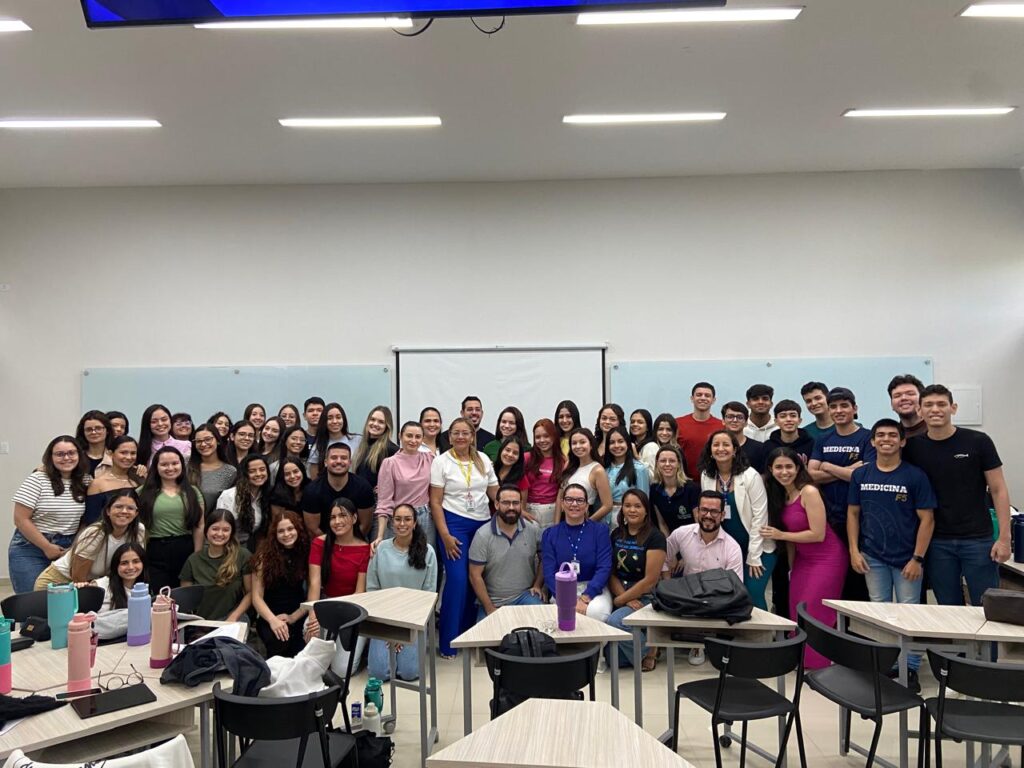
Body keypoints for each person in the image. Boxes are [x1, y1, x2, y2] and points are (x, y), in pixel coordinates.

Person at [847, 420, 936, 690]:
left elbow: (927, 519)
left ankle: (910, 668)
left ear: (902, 441)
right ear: (872, 442)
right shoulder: (861, 475)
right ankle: (887, 664)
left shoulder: (915, 476)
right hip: (872, 556)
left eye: (892, 435)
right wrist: (854, 550)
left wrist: (917, 558)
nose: (886, 439)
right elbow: (853, 514)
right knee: (880, 611)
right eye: (881, 435)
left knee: (909, 612)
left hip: (907, 558)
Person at [903, 384, 1010, 606]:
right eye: (928, 405)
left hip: (978, 540)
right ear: (919, 411)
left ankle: (986, 633)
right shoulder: (912, 448)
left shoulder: (978, 441)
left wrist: (1004, 538)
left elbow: (998, 489)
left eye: (941, 404)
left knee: (987, 606)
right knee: (948, 607)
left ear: (953, 408)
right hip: (937, 542)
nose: (935, 409)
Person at [760, 448, 847, 669]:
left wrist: (780, 535)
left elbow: (818, 534)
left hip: (827, 559)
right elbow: (792, 541)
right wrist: (792, 568)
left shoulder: (809, 491)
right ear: (771, 470)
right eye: (779, 467)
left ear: (798, 468)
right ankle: (800, 658)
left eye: (789, 466)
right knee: (797, 606)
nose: (784, 472)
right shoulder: (781, 495)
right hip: (803, 561)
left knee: (815, 611)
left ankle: (819, 663)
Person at [430, 418, 499, 657]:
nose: (460, 437)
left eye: (465, 433)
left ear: (472, 436)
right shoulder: (441, 462)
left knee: (475, 580)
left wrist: (515, 508)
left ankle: (467, 635)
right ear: (449, 437)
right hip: (454, 524)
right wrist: (445, 535)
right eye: (456, 433)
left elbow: (494, 493)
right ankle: (448, 642)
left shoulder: (483, 459)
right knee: (458, 579)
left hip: (481, 524)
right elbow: (435, 502)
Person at [808, 387, 875, 600]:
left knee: (860, 577)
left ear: (854, 408)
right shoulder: (823, 439)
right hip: (830, 517)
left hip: (861, 518)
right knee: (837, 576)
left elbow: (865, 476)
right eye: (834, 406)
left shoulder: (868, 437)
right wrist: (849, 471)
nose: (838, 410)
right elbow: (811, 474)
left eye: (844, 406)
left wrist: (828, 466)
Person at [697, 430, 775, 610]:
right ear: (710, 451)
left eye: (726, 445)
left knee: (752, 594)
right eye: (716, 445)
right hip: (728, 548)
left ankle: (762, 628)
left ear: (735, 450)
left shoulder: (750, 476)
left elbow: (760, 517)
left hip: (758, 547)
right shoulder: (706, 475)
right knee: (728, 594)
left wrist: (753, 556)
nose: (721, 449)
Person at [663, 490, 743, 665]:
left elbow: (736, 587)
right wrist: (668, 585)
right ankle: (695, 640)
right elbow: (664, 558)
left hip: (715, 600)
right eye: (704, 510)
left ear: (722, 515)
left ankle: (705, 640)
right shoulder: (681, 534)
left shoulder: (732, 547)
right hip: (685, 596)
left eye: (714, 512)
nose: (708, 515)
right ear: (697, 512)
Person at [367, 504, 438, 681]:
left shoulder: (428, 552)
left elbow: (428, 595)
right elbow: (372, 590)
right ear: (392, 523)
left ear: (415, 523)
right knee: (378, 673)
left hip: (413, 620)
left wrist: (404, 631)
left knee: (409, 673)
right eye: (398, 519)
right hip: (383, 619)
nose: (402, 524)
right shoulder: (381, 549)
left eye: (407, 519)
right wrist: (390, 631)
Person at [9, 436, 88, 593]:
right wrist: (47, 547)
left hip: (68, 547)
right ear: (50, 457)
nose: (66, 458)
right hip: (31, 547)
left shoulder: (86, 481)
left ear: (79, 455)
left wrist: (74, 546)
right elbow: (20, 519)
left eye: (71, 453)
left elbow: (85, 519)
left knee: (61, 600)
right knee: (32, 600)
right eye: (60, 454)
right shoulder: (37, 479)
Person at [304, 499, 370, 672]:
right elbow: (314, 583)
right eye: (333, 517)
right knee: (309, 632)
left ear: (354, 518)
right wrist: (313, 616)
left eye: (342, 516)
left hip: (353, 610)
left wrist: (340, 619)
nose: (337, 521)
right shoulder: (319, 543)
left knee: (341, 671)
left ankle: (360, 646)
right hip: (326, 605)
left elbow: (360, 592)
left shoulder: (364, 548)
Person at [35, 488, 146, 589]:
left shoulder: (139, 531)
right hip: (59, 582)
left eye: (130, 508)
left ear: (136, 513)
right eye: (119, 507)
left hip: (92, 583)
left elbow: (134, 567)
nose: (124, 511)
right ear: (108, 511)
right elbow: (78, 577)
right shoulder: (95, 533)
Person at [606, 489, 666, 671]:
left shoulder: (655, 537)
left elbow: (650, 580)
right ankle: (645, 643)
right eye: (627, 506)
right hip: (621, 591)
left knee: (616, 622)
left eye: (637, 506)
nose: (632, 510)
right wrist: (624, 598)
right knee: (612, 658)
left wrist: (622, 600)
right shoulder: (616, 534)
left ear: (646, 510)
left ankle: (650, 650)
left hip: (645, 596)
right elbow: (611, 573)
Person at [469, 485, 544, 621]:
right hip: (493, 601)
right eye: (506, 503)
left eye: (515, 503)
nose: (511, 507)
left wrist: (537, 585)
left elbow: (545, 558)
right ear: (496, 504)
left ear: (521, 504)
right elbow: (474, 575)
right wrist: (489, 608)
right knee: (486, 634)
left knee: (542, 626)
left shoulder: (533, 530)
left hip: (525, 596)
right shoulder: (482, 535)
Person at [541, 484, 613, 622]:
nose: (574, 504)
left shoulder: (600, 531)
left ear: (586, 506)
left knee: (595, 612)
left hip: (594, 588)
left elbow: (604, 567)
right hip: (562, 588)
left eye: (580, 500)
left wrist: (586, 597)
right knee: (561, 616)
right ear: (562, 504)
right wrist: (566, 598)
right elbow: (549, 572)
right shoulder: (550, 534)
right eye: (569, 499)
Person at [138, 446, 205, 593]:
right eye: (164, 464)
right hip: (155, 549)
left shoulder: (193, 492)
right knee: (161, 596)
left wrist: (197, 554)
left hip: (185, 548)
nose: (170, 468)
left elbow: (199, 525)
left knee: (184, 595)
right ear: (156, 467)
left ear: (182, 464)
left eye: (175, 463)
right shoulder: (143, 492)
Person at [251, 510, 311, 658]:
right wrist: (273, 620)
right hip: (270, 615)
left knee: (300, 655)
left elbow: (312, 591)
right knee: (279, 642)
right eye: (281, 531)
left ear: (298, 530)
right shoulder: (263, 556)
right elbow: (256, 596)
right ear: (274, 534)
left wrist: (293, 617)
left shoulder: (306, 552)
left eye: (290, 529)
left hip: (298, 613)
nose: (286, 534)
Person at [180, 509, 253, 622]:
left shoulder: (243, 556)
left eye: (225, 530)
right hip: (201, 622)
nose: (219, 534)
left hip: (233, 619)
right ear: (206, 530)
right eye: (215, 529)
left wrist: (234, 616)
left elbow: (251, 593)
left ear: (232, 533)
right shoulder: (193, 560)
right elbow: (186, 598)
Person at [373, 421, 433, 547]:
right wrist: (380, 536)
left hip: (424, 518)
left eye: (418, 437)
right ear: (400, 436)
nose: (413, 440)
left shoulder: (429, 459)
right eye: (409, 436)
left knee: (424, 556)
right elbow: (384, 501)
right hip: (399, 519)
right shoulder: (390, 463)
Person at [301, 443, 375, 538]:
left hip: (355, 540)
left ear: (350, 462)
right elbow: (313, 529)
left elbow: (365, 525)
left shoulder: (363, 488)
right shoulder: (312, 490)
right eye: (334, 457)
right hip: (322, 541)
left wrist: (349, 543)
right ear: (325, 462)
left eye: (343, 458)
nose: (339, 461)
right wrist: (331, 544)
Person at [556, 428, 612, 525]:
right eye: (574, 443)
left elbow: (607, 505)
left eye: (582, 442)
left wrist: (586, 523)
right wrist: (556, 526)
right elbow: (559, 498)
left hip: (584, 517)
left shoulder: (597, 470)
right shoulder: (568, 465)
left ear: (591, 445)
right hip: (564, 520)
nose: (578, 446)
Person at [217, 454, 271, 551]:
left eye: (262, 469)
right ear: (244, 474)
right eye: (252, 471)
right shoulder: (229, 496)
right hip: (227, 546)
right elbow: (220, 528)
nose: (258, 474)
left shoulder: (266, 496)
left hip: (250, 547)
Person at [84, 435, 141, 526]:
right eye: (123, 452)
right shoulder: (98, 484)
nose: (129, 457)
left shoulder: (139, 480)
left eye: (133, 453)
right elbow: (92, 520)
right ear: (111, 454)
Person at [519, 418, 564, 530]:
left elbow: (561, 493)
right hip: (528, 510)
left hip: (552, 511)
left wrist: (557, 523)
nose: (542, 440)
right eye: (538, 437)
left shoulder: (562, 461)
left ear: (554, 436)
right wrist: (521, 509)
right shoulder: (526, 458)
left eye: (546, 436)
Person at [79, 542, 148, 613]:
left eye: (136, 561)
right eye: (124, 563)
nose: (131, 567)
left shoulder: (146, 588)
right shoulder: (101, 585)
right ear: (115, 566)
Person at [603, 426, 650, 526]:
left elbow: (644, 501)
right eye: (612, 442)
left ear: (628, 443)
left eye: (620, 441)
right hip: (605, 519)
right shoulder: (604, 469)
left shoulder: (639, 469)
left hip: (629, 519)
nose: (616, 445)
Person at [676, 382, 724, 478]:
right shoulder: (678, 424)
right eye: (699, 395)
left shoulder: (722, 426)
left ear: (713, 400)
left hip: (713, 479)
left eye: (707, 395)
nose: (703, 398)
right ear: (692, 398)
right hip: (683, 481)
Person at [649, 446, 699, 535]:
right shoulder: (654, 489)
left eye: (672, 461)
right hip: (670, 539)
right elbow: (662, 524)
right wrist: (668, 542)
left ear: (679, 464)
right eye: (663, 461)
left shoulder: (692, 488)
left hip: (692, 538)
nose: (667, 464)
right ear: (657, 464)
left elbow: (698, 522)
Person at [187, 424, 237, 512]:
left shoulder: (230, 472)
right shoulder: (185, 464)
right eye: (198, 441)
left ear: (217, 440)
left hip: (213, 519)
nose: (203, 444)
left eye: (208, 439)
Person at [308, 403, 361, 480]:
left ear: (343, 419)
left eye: (338, 417)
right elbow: (315, 479)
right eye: (330, 418)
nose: (335, 421)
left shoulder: (357, 440)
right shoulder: (318, 447)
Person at [352, 406, 398, 492]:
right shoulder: (362, 446)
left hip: (377, 499)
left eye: (381, 422)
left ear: (387, 426)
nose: (375, 424)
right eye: (372, 419)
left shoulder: (391, 449)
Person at [720, 402, 768, 473]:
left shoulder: (760, 448)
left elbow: (764, 474)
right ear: (723, 421)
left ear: (746, 422)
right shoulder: (716, 447)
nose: (735, 420)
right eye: (730, 417)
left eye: (739, 417)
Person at [764, 400, 816, 465]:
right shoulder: (768, 446)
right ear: (776, 422)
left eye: (793, 416)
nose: (788, 419)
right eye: (783, 416)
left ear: (799, 420)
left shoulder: (812, 444)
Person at [75, 410, 113, 477]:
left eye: (98, 428)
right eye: (89, 429)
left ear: (107, 430)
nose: (93, 432)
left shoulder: (114, 457)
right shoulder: (76, 457)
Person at [888, 374, 927, 439]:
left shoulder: (937, 431)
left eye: (910, 394)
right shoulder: (891, 438)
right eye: (897, 396)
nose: (904, 398)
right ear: (891, 405)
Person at [629, 409, 658, 479]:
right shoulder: (631, 444)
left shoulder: (651, 446)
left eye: (640, 422)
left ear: (647, 427)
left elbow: (652, 477)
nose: (635, 424)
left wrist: (637, 458)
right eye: (632, 422)